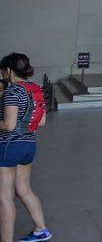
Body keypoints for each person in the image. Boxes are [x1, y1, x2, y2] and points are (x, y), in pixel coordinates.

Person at [0, 53, 52, 242]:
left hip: (8, 146)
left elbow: (9, 125)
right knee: (24, 189)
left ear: (8, 71)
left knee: (4, 197)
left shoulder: (12, 92)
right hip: (29, 145)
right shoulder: (35, 88)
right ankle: (41, 229)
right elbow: (42, 121)